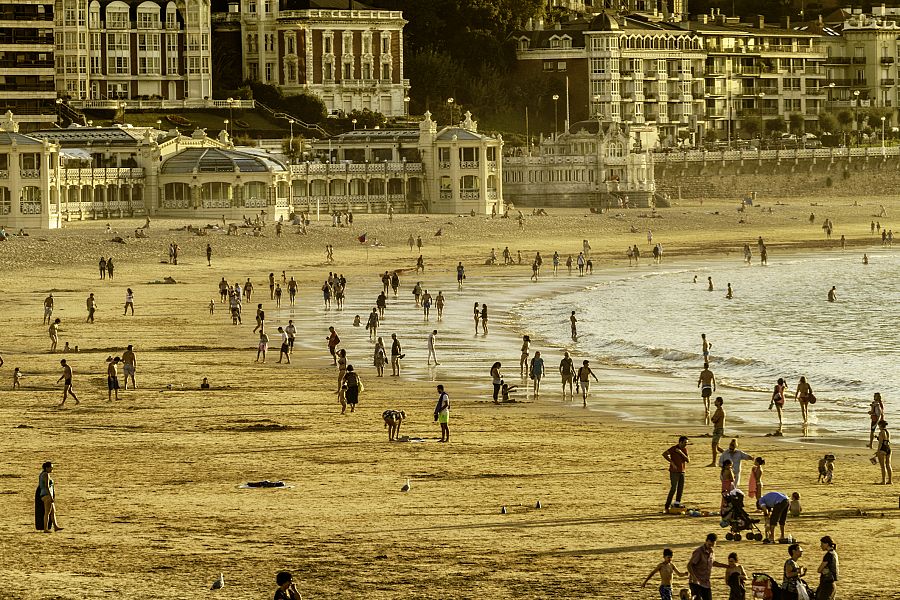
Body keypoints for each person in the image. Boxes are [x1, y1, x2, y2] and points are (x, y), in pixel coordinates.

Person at [687, 533, 728, 600]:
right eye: (709, 544)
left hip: (706, 582)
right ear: (706, 541)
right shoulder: (699, 552)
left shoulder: (712, 552)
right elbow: (689, 565)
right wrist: (694, 577)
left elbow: (713, 563)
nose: (711, 546)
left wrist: (726, 566)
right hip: (696, 583)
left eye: (713, 545)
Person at [663, 436, 690, 511]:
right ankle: (667, 505)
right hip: (674, 472)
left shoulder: (684, 450)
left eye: (686, 443)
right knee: (673, 488)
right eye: (685, 443)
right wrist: (672, 463)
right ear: (680, 442)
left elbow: (688, 460)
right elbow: (664, 454)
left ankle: (677, 503)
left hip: (682, 471)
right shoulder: (673, 448)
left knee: (680, 488)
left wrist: (681, 453)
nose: (686, 444)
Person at [37, 462, 62, 533]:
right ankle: (45, 529)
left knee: (53, 511)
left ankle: (56, 526)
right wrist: (51, 497)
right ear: (47, 468)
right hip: (47, 495)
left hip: (44, 495)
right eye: (51, 467)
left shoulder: (42, 474)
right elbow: (47, 486)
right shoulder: (46, 474)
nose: (52, 468)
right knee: (47, 512)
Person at [875, 419, 892, 485]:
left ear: (880, 425)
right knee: (888, 465)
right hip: (888, 448)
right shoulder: (888, 432)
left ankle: (883, 481)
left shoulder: (881, 432)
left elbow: (880, 443)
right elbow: (886, 440)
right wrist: (878, 437)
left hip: (883, 449)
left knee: (883, 466)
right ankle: (890, 480)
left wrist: (878, 451)